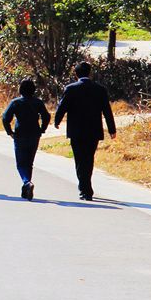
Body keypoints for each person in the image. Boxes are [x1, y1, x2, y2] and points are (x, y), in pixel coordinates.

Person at [54, 60, 116, 201]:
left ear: (76, 74)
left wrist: (57, 121)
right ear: (90, 73)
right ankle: (86, 188)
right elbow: (107, 111)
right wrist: (112, 129)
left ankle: (84, 189)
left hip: (76, 131)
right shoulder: (100, 89)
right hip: (93, 131)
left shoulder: (71, 89)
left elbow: (62, 107)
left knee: (79, 159)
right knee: (89, 158)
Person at [1, 79, 51, 200]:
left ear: (20, 89)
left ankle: (26, 182)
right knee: (29, 162)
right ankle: (26, 188)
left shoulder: (16, 102)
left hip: (20, 134)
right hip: (34, 133)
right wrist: (42, 129)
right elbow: (46, 116)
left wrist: (9, 132)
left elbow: (5, 118)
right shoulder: (38, 102)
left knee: (20, 163)